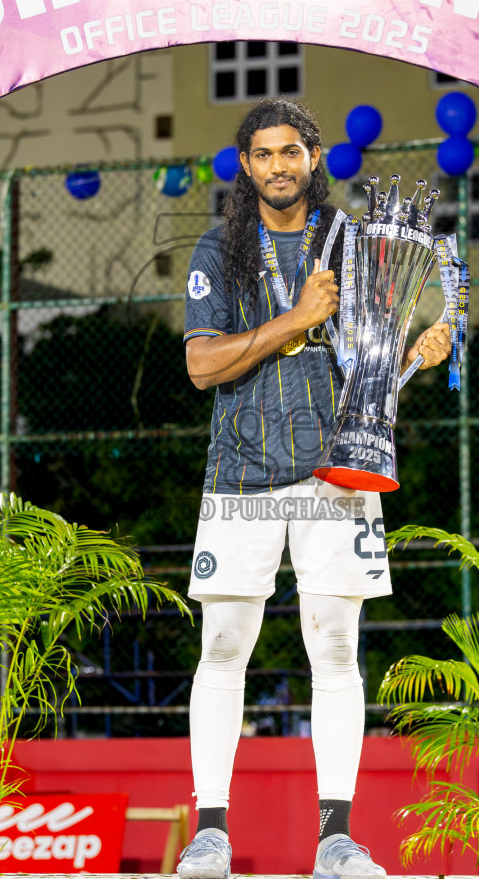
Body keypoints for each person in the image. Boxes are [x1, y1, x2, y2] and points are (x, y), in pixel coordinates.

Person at [177, 98, 451, 879]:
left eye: (290, 151)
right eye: (262, 154)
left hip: (336, 475)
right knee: (223, 648)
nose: (277, 166)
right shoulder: (218, 252)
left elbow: (371, 374)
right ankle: (210, 835)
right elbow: (202, 367)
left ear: (313, 157)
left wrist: (414, 361)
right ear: (246, 166)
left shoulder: (357, 247)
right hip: (241, 471)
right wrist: (295, 318)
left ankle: (337, 838)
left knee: (335, 650)